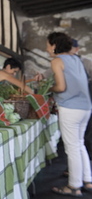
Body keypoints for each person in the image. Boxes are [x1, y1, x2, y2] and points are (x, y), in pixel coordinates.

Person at [46, 32, 92, 197]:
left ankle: (73, 186)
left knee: (72, 147)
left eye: (48, 44)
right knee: (79, 144)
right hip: (85, 107)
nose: (47, 48)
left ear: (54, 45)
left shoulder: (57, 61)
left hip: (70, 108)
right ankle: (88, 180)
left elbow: (60, 87)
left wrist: (48, 88)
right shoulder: (76, 59)